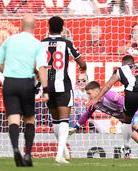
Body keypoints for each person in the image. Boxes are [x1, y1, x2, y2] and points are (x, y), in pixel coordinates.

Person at [70, 81, 138, 159]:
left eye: (89, 93)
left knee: (130, 124)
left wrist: (135, 116)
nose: (88, 96)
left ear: (97, 90)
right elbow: (86, 115)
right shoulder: (94, 104)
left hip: (133, 111)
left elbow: (125, 102)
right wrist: (76, 127)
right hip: (126, 121)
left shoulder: (109, 95)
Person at [0, 14, 49, 167]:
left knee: (13, 119)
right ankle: (28, 154)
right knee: (30, 119)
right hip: (26, 82)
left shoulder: (10, 40)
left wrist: (10, 72)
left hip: (10, 82)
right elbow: (42, 68)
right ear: (35, 27)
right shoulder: (37, 44)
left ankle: (15, 149)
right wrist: (45, 89)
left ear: (20, 25)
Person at [88, 55, 138, 158]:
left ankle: (126, 147)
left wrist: (96, 99)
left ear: (123, 64)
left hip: (131, 95)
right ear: (133, 62)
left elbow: (108, 85)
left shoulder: (120, 70)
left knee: (127, 122)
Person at [42, 16, 87, 164]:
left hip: (48, 87)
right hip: (63, 86)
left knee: (56, 120)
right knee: (64, 120)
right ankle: (59, 155)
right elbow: (81, 62)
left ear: (48, 27)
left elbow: (36, 65)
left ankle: (63, 151)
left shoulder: (41, 44)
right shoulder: (67, 43)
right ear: (62, 28)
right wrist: (83, 68)